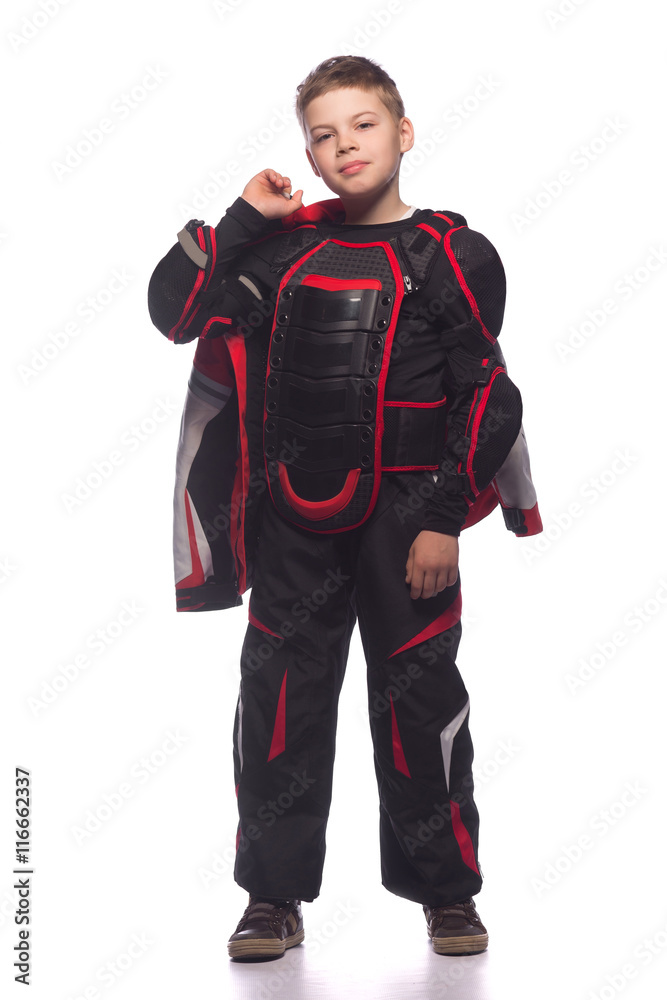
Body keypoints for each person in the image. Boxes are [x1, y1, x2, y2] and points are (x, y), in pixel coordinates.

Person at [147, 54, 543, 960]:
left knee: (421, 702)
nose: (343, 145)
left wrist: (444, 515)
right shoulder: (281, 250)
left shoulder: (449, 253)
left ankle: (446, 894)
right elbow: (174, 314)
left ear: (402, 134)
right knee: (279, 702)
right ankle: (271, 899)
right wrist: (244, 217)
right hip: (290, 521)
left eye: (361, 125)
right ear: (310, 158)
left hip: (411, 523)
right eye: (323, 135)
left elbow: (487, 393)